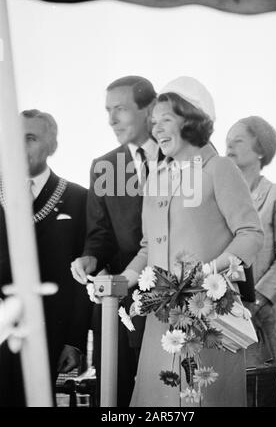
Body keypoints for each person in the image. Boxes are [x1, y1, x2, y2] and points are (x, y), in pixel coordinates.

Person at [120, 76, 264, 407]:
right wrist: (125, 279)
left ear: (191, 120)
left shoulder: (220, 169)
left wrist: (209, 271)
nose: (156, 130)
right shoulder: (156, 178)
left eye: (165, 120)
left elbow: (250, 233)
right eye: (153, 122)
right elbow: (148, 247)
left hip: (209, 316)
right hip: (162, 322)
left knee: (202, 400)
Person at [71, 76, 162, 406]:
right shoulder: (104, 167)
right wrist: (89, 259)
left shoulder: (185, 160)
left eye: (120, 109)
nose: (111, 120)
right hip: (119, 307)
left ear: (149, 109)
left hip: (178, 303)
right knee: (115, 397)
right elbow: (100, 236)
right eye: (108, 110)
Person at [0, 109, 91, 406]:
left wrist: (75, 341)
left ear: (51, 145)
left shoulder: (79, 199)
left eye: (30, 138)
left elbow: (83, 276)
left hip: (50, 332)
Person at [226, 115, 276, 407]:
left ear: (260, 150)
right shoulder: (224, 202)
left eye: (238, 140)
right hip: (236, 321)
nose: (228, 146)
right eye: (227, 140)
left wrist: (256, 300)